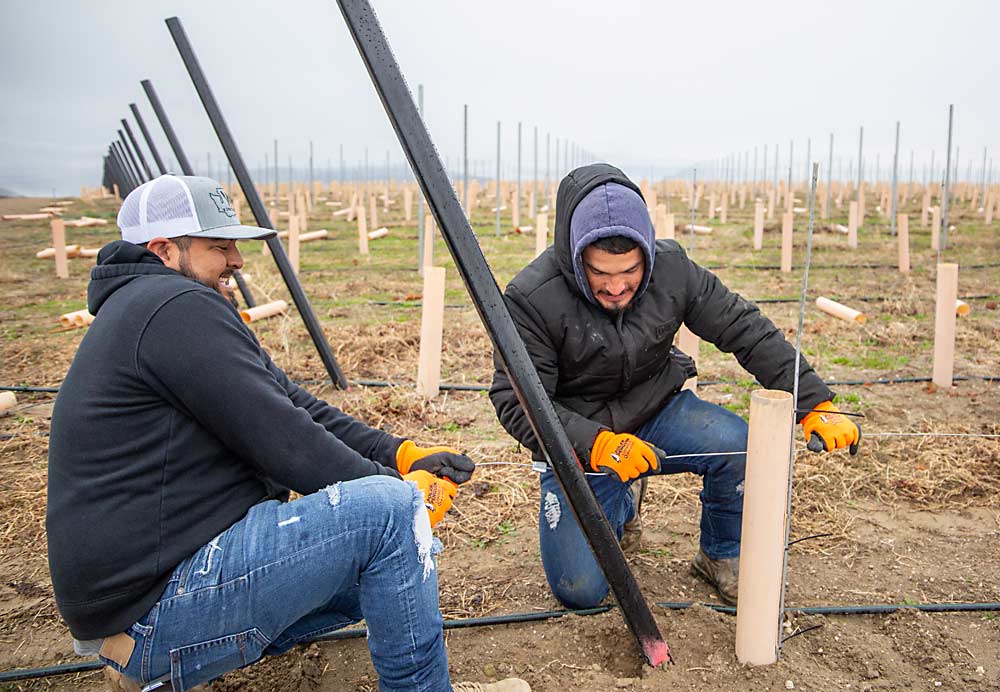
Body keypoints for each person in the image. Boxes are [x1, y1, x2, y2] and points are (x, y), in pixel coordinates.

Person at [46, 174, 529, 692]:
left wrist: (400, 455)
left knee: (404, 554)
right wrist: (400, 493)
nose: (235, 260)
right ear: (165, 249)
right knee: (394, 521)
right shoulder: (171, 308)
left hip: (148, 600)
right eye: (219, 247)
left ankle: (159, 671)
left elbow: (292, 403)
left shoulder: (154, 307)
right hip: (158, 606)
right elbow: (288, 445)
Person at [490, 163, 860, 608]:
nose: (616, 287)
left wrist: (813, 401)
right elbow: (516, 401)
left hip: (657, 410)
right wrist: (597, 445)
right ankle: (621, 504)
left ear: (645, 251)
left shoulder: (673, 270)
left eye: (628, 271)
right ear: (574, 257)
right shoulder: (531, 298)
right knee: (580, 591)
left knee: (738, 447)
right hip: (580, 440)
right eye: (599, 273)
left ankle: (720, 555)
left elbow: (744, 329)